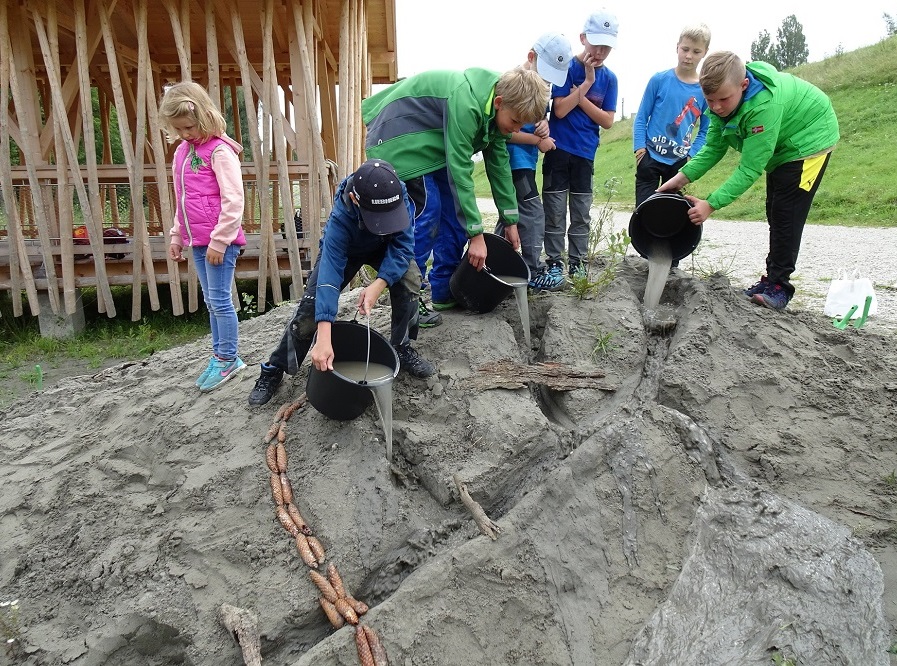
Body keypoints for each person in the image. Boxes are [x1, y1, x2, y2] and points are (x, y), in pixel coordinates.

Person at [362, 66, 551, 320]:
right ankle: (408, 299)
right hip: (399, 138)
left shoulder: (495, 116)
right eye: (515, 121)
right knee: (428, 212)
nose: (516, 129)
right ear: (498, 102)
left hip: (433, 146)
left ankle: (443, 290)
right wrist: (476, 235)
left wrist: (510, 219)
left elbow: (499, 166)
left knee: (452, 215)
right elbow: (460, 170)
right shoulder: (467, 103)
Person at [657, 51, 839, 311]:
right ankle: (771, 280)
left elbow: (748, 170)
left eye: (723, 99)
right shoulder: (721, 103)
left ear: (743, 86)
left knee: (786, 214)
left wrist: (711, 204)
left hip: (810, 139)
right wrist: (678, 180)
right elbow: (712, 149)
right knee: (774, 211)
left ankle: (780, 287)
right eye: (710, 100)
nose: (717, 107)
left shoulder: (763, 108)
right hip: (781, 147)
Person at [248, 159, 435, 407]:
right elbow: (329, 276)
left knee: (410, 278)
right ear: (356, 201)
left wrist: (378, 284)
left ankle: (402, 346)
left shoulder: (397, 195)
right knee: (311, 307)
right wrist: (324, 335)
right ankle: (275, 369)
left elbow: (403, 246)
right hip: (347, 252)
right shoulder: (341, 216)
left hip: (384, 249)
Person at [159, 81, 247, 393]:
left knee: (221, 300)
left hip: (218, 243)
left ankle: (229, 358)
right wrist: (176, 235)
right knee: (212, 301)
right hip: (197, 241)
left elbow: (234, 200)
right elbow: (182, 199)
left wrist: (221, 240)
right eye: (178, 129)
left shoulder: (221, 151)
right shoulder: (183, 152)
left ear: (204, 116)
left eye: (188, 127)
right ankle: (220, 354)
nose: (184, 134)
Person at [541, 9, 619, 282]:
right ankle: (553, 261)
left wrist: (581, 93)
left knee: (581, 212)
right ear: (583, 38)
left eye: (606, 46)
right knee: (554, 210)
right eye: (595, 43)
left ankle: (577, 262)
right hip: (558, 149)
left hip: (586, 152)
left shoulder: (610, 79)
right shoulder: (566, 67)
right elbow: (559, 110)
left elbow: (607, 120)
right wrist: (586, 82)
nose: (599, 51)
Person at [495, 32, 573, 292]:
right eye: (545, 74)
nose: (547, 82)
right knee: (533, 214)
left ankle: (492, 266)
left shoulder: (542, 91)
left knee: (509, 217)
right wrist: (537, 141)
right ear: (531, 58)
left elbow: (537, 122)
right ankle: (532, 271)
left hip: (525, 163)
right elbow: (504, 132)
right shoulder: (512, 85)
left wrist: (544, 125)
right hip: (513, 162)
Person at [633, 23, 711, 208]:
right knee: (643, 212)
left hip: (679, 162)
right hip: (650, 157)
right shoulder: (659, 80)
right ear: (677, 47)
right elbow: (642, 117)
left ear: (705, 52)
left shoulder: (704, 91)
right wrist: (639, 150)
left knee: (671, 214)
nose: (689, 56)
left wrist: (691, 157)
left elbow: (706, 130)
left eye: (696, 51)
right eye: (685, 49)